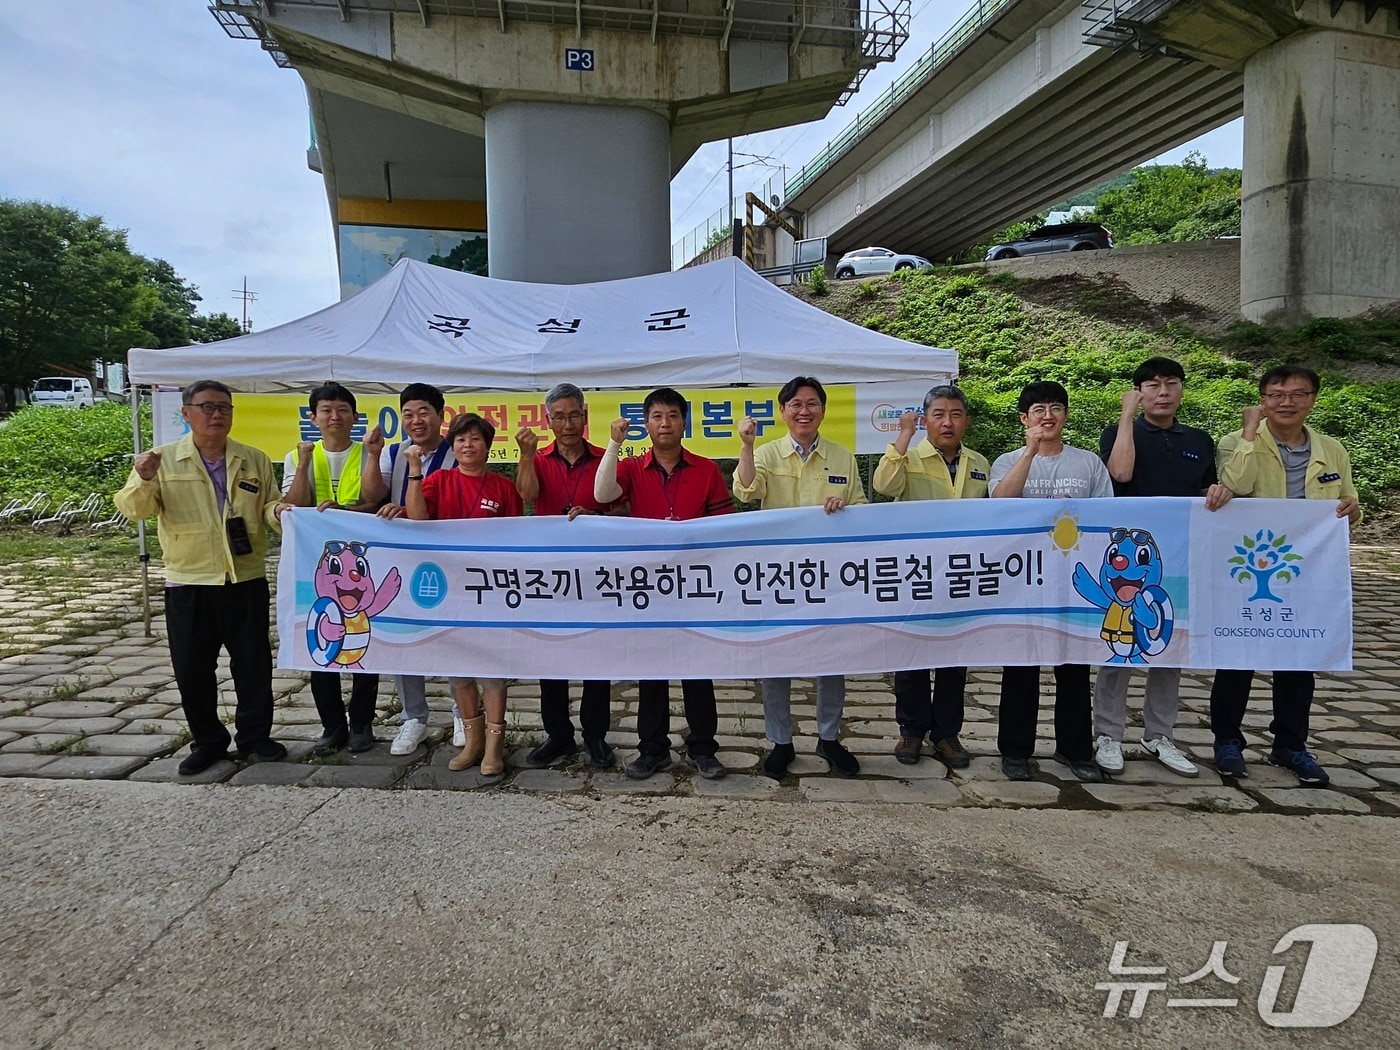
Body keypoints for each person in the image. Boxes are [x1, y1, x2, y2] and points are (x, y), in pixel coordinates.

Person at [114, 380, 287, 776]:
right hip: (189, 580)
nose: (216, 415)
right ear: (187, 413)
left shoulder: (253, 458)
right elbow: (133, 509)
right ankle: (208, 742)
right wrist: (142, 478)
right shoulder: (161, 460)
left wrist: (281, 513)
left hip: (244, 577)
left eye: (224, 407)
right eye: (207, 407)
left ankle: (255, 737)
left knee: (253, 665)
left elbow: (268, 504)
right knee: (192, 669)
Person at [1209, 365, 1361, 786]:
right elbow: (1235, 484)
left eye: (1298, 394)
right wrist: (1249, 431)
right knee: (1236, 655)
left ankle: (1290, 745)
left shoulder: (1332, 449)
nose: (1287, 402)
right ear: (1262, 399)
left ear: (1313, 399)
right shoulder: (1237, 442)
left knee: (1299, 659)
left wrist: (1351, 511)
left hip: (1306, 572)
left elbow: (1349, 503)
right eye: (1276, 395)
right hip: (1247, 567)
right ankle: (1227, 742)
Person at [1092, 358, 1234, 778]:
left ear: (1182, 390)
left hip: (1180, 556)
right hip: (1128, 563)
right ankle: (1107, 734)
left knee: (1168, 647)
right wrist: (1125, 416)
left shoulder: (1199, 440)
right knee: (1120, 648)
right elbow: (1120, 472)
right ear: (1138, 391)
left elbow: (1209, 488)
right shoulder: (1121, 431)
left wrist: (1219, 489)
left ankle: (1159, 734)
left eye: (1171, 384)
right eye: (1152, 385)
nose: (1163, 392)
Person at [595, 387, 735, 781]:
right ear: (646, 423)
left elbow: (723, 526)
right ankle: (652, 749)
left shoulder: (706, 469)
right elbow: (601, 494)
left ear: (684, 422)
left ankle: (703, 748)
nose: (665, 423)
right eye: (656, 416)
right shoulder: (631, 468)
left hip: (694, 585)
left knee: (697, 670)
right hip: (648, 587)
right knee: (651, 671)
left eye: (673, 415)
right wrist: (613, 443)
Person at [733, 376, 867, 778]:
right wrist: (746, 445)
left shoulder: (842, 456)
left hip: (829, 575)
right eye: (795, 404)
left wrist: (845, 506)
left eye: (811, 403)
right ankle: (781, 741)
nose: (803, 410)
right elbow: (745, 490)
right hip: (778, 574)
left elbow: (861, 509)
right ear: (783, 411)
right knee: (776, 659)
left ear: (823, 410)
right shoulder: (767, 453)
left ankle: (829, 738)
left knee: (832, 659)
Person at [987, 380, 1112, 783]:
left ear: (1066, 415)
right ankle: (1016, 751)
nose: (1047, 416)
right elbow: (1000, 505)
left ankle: (1075, 749)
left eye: (1056, 408)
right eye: (1038, 409)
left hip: (1075, 581)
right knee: (1021, 667)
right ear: (1024, 418)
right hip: (1023, 581)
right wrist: (1030, 451)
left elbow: (1106, 520)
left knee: (1073, 667)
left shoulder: (1089, 462)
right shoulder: (1008, 460)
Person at [872, 383, 989, 770]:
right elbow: (883, 486)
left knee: (955, 655)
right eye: (938, 415)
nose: (948, 422)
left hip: (961, 573)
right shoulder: (908, 456)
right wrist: (903, 436)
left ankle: (947, 733)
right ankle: (911, 730)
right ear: (925, 421)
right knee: (912, 652)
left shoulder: (979, 464)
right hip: (916, 571)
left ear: (967, 422)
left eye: (955, 415)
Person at [406, 412, 523, 776]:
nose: (468, 445)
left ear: (488, 447)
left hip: (489, 591)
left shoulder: (502, 488)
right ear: (452, 446)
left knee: (492, 671)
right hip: (448, 590)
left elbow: (519, 536)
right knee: (458, 671)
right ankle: (471, 743)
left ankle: (493, 747)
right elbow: (418, 519)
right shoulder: (438, 480)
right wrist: (414, 470)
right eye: (460, 440)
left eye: (475, 439)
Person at [514, 382, 619, 769]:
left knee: (597, 656)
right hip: (550, 574)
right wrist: (525, 456)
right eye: (559, 416)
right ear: (548, 420)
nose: (568, 423)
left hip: (596, 575)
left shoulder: (604, 459)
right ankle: (558, 736)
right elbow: (527, 496)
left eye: (574, 415)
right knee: (550, 655)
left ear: (586, 415)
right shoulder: (537, 458)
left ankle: (595, 736)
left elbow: (625, 511)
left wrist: (599, 518)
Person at [281, 382, 381, 757]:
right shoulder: (299, 457)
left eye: (342, 410)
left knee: (361, 645)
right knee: (319, 643)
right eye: (326, 410)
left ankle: (362, 725)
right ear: (313, 417)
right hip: (314, 566)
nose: (334, 417)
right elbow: (294, 506)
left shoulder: (370, 452)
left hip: (359, 568)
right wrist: (304, 463)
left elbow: (374, 501)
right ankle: (331, 726)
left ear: (355, 417)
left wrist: (345, 514)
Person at [359, 383, 455, 756]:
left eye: (424, 412)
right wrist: (372, 455)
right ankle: (414, 716)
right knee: (402, 636)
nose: (417, 420)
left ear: (440, 415)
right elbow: (372, 497)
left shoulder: (457, 448)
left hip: (449, 558)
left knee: (453, 632)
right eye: (409, 413)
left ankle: (464, 711)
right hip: (403, 560)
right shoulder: (394, 453)